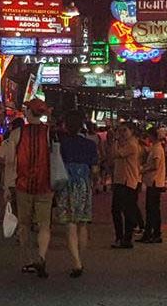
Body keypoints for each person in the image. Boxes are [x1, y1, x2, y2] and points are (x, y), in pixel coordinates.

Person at [14, 99, 54, 278]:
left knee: (24, 225)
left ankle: (29, 259)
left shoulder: (18, 133)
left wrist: (7, 186)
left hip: (23, 185)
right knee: (44, 224)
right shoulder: (49, 133)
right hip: (45, 185)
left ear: (29, 112)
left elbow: (10, 161)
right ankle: (41, 256)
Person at [58, 111, 98, 278]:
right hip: (84, 183)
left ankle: (76, 263)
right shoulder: (90, 145)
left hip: (67, 184)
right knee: (83, 223)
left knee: (70, 224)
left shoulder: (62, 144)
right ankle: (80, 258)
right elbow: (95, 169)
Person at [110, 123, 141, 249]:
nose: (122, 133)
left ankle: (124, 238)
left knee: (121, 210)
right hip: (122, 181)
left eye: (125, 130)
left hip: (126, 182)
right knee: (122, 210)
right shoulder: (128, 144)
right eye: (120, 130)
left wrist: (115, 140)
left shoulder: (131, 145)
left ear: (131, 131)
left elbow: (115, 154)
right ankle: (124, 237)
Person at [140, 128, 167, 243]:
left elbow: (155, 165)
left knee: (152, 210)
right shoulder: (156, 147)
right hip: (154, 181)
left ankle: (155, 234)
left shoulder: (157, 149)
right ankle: (150, 233)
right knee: (152, 209)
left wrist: (144, 169)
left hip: (154, 181)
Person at [0, 118, 25, 215]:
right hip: (25, 178)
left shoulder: (8, 141)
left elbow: (2, 159)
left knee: (12, 205)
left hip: (11, 178)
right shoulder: (29, 141)